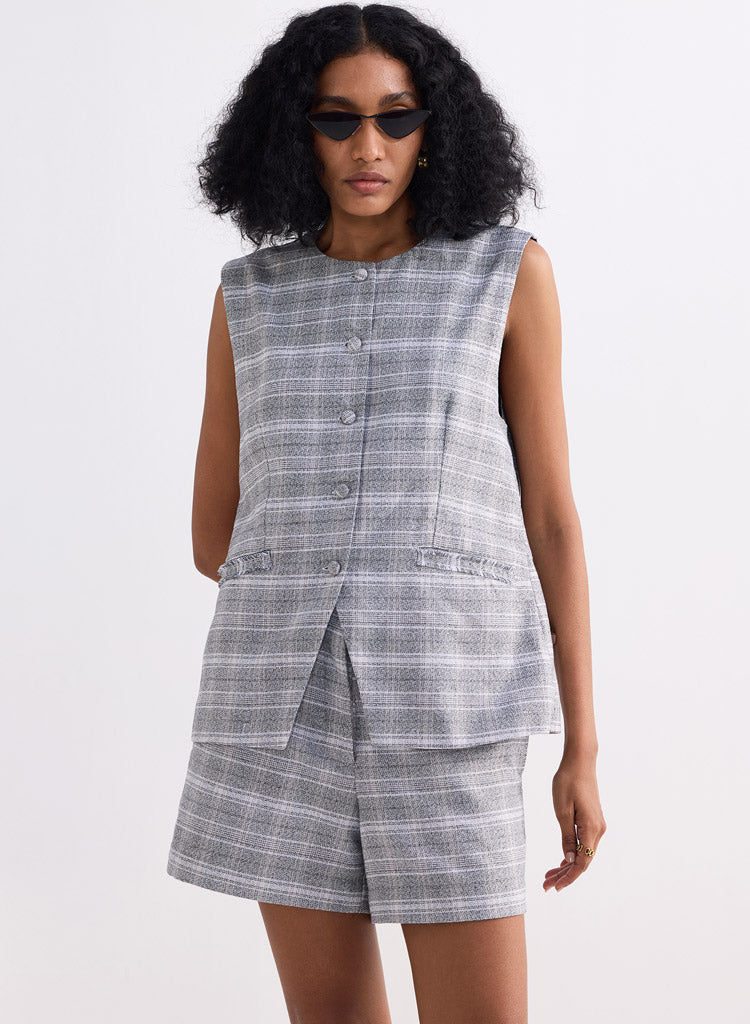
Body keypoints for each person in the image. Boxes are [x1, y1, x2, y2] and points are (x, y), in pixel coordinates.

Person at [167, 4, 606, 1021]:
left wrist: (582, 746)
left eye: (396, 117)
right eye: (337, 119)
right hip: (278, 712)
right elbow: (212, 535)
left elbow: (551, 519)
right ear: (296, 134)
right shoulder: (248, 298)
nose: (369, 146)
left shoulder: (505, 275)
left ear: (433, 129)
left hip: (453, 705)